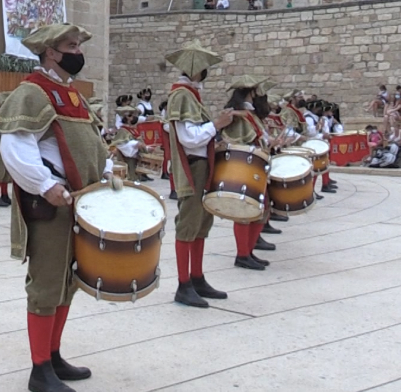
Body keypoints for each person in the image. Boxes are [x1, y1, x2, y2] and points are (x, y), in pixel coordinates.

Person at [0, 23, 118, 392]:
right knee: (46, 284)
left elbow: (91, 143)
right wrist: (46, 185)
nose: (78, 51)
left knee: (67, 282)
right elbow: (15, 147)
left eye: (77, 45)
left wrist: (108, 172)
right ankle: (39, 368)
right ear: (50, 52)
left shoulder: (71, 94)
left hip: (81, 202)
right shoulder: (32, 92)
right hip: (52, 204)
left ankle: (55, 355)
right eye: (71, 46)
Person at [163, 40, 234, 307]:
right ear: (195, 70)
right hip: (192, 167)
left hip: (202, 166)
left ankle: (197, 277)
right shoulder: (181, 95)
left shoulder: (191, 95)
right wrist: (217, 124)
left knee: (202, 224)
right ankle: (183, 284)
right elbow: (188, 138)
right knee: (188, 224)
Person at [219, 76, 287, 270]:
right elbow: (238, 143)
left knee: (261, 208)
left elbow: (260, 139)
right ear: (250, 92)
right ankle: (242, 254)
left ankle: (248, 251)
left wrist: (273, 144)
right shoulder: (239, 115)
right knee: (244, 211)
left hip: (257, 166)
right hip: (245, 168)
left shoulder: (250, 115)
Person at [111, 107, 152, 182]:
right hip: (128, 160)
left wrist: (147, 148)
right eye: (131, 116)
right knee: (130, 180)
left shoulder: (133, 129)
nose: (134, 117)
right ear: (127, 118)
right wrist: (135, 144)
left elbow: (140, 142)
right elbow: (120, 145)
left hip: (137, 159)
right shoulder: (122, 130)